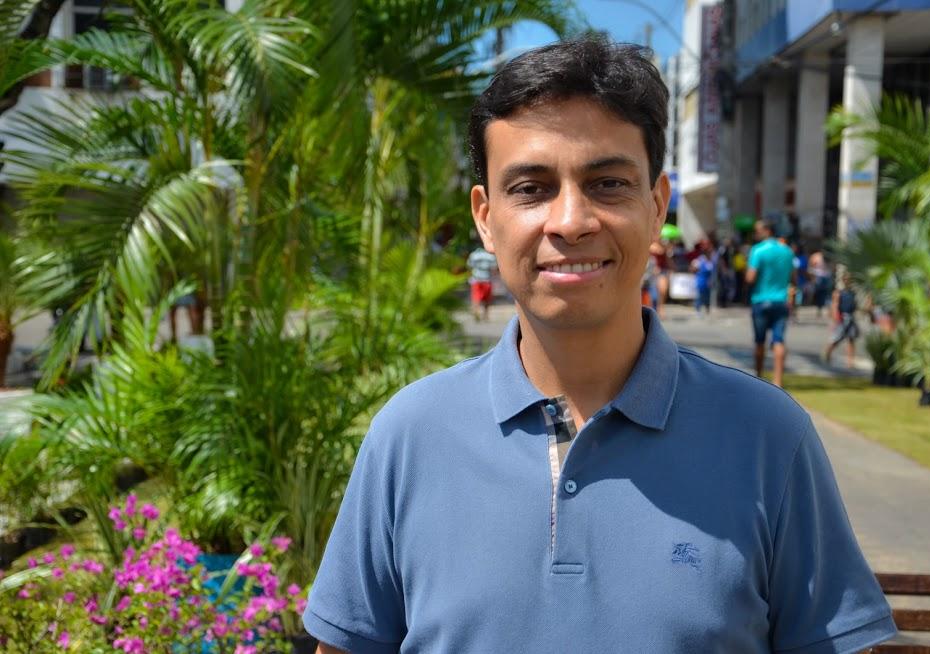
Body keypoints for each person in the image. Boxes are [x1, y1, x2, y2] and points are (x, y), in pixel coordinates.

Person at [304, 37, 895, 654]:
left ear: (656, 204)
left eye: (608, 183)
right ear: (485, 217)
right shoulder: (410, 434)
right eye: (530, 188)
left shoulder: (768, 436)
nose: (570, 221)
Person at [747, 219, 795, 387]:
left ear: (767, 231)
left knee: (759, 342)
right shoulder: (787, 251)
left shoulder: (758, 250)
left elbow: (750, 277)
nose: (755, 234)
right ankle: (778, 381)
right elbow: (793, 277)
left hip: (761, 300)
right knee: (778, 340)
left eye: (757, 230)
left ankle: (759, 377)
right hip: (781, 301)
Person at [823, 273, 860, 368]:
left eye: (849, 279)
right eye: (846, 279)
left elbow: (855, 305)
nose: (848, 281)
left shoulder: (853, 293)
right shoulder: (839, 293)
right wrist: (835, 320)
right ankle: (827, 354)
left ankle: (850, 361)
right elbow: (834, 306)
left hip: (851, 318)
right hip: (842, 318)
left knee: (851, 339)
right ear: (843, 281)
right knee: (836, 338)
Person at [467, 244, 498, 321]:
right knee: (487, 299)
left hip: (476, 279)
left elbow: (469, 266)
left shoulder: (473, 255)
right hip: (487, 279)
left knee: (475, 297)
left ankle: (476, 312)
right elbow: (494, 269)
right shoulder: (490, 256)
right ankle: (485, 315)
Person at [691, 241, 713, 315]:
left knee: (707, 296)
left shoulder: (710, 261)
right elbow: (693, 269)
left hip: (707, 282)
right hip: (700, 281)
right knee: (700, 296)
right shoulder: (700, 260)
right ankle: (698, 309)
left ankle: (707, 309)